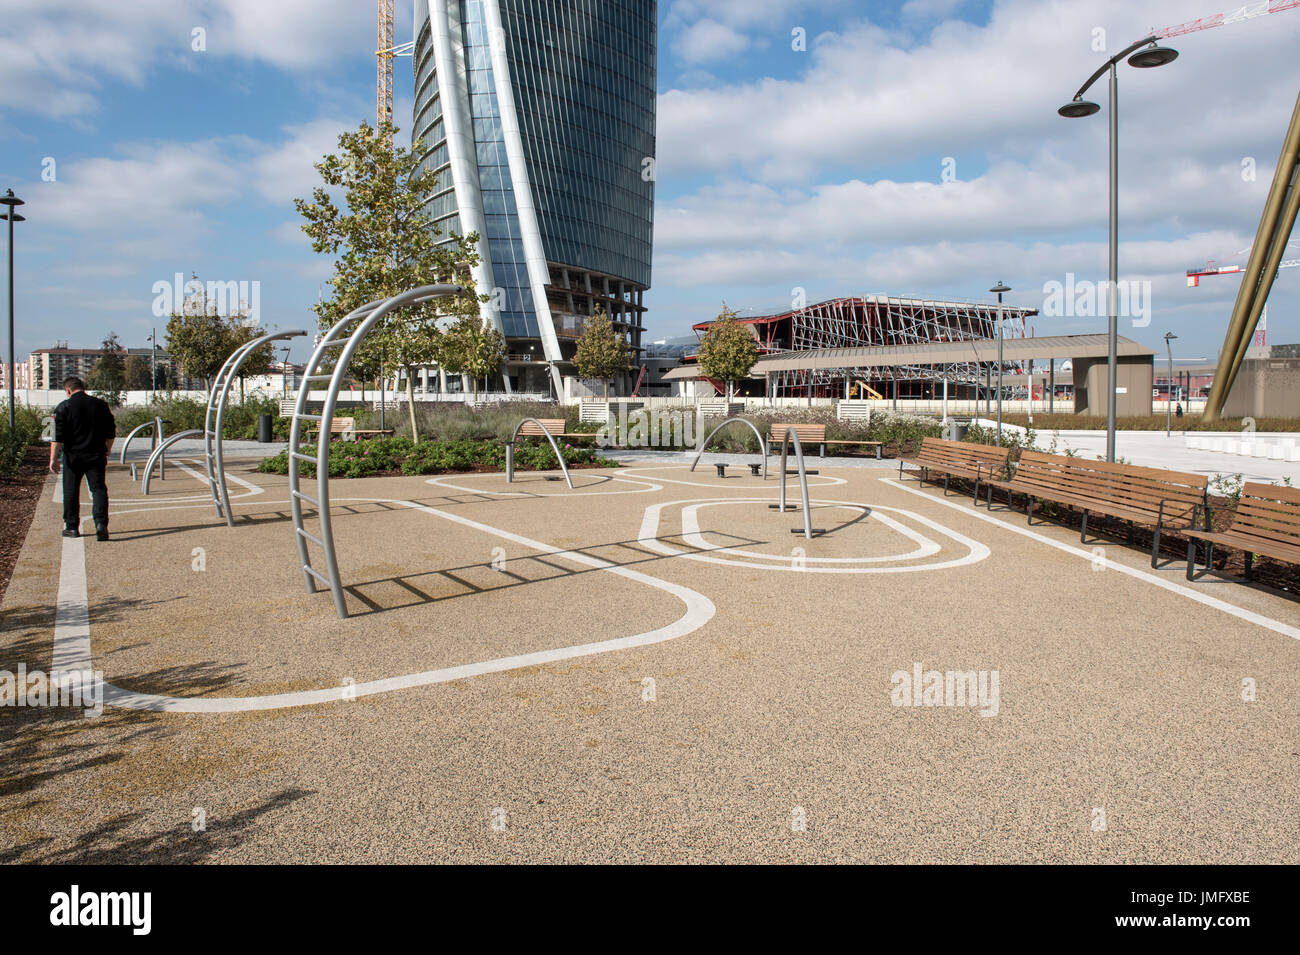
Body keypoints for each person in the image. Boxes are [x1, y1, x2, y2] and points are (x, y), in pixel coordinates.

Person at [49, 377, 116, 541]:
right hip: (96, 455)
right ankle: (101, 524)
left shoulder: (63, 407)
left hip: (73, 457)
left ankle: (72, 527)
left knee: (71, 490)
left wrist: (53, 459)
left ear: (68, 390)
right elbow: (111, 431)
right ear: (83, 388)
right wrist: (107, 449)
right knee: (98, 489)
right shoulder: (100, 405)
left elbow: (56, 437)